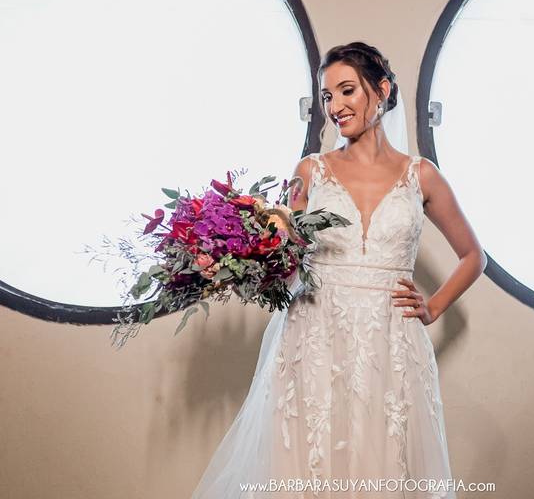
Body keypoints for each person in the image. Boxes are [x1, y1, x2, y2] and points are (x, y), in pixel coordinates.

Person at [191, 41, 487, 499]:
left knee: (383, 465)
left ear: (381, 90)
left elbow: (473, 256)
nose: (335, 107)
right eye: (328, 96)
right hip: (315, 336)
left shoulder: (422, 175)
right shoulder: (310, 172)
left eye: (347, 91)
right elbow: (287, 258)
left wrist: (432, 307)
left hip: (391, 341)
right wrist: (238, 257)